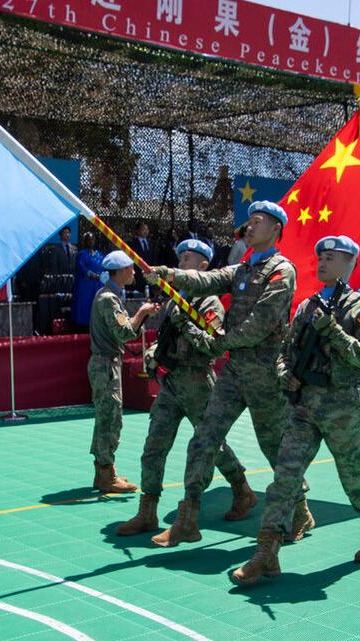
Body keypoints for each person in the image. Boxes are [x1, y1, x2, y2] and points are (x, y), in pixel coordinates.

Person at [230, 235, 360, 586]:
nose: (323, 262)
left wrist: (334, 332)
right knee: (285, 476)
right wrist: (285, 374)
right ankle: (266, 552)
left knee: (352, 476)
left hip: (341, 407)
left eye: (332, 257)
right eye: (321, 257)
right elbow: (286, 351)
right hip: (303, 406)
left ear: (350, 263)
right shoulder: (307, 306)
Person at [145, 200, 299, 548]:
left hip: (263, 373)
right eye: (249, 221)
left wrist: (220, 342)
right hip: (233, 373)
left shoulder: (281, 271)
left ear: (276, 229)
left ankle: (299, 507)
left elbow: (261, 323)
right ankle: (187, 519)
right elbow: (207, 279)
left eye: (257, 221)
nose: (249, 227)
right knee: (203, 440)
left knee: (273, 447)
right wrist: (168, 274)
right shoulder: (242, 269)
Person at [117, 239, 257, 536]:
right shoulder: (175, 299)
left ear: (204, 266)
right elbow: (165, 339)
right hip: (171, 383)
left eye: (188, 259)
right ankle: (147, 511)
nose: (181, 263)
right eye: (180, 258)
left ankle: (241, 488)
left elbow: (214, 346)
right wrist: (153, 354)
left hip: (197, 383)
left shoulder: (210, 303)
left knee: (211, 447)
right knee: (154, 445)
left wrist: (187, 324)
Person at [88, 250, 161, 493]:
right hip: (106, 365)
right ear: (120, 271)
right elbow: (124, 333)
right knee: (110, 419)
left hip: (106, 363)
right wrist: (142, 312)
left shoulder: (108, 295)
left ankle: (104, 471)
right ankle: (106, 474)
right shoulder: (109, 299)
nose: (134, 273)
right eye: (131, 268)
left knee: (106, 417)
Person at [71, 231, 105, 328]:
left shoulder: (99, 254)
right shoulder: (82, 254)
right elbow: (81, 267)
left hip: (98, 284)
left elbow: (104, 266)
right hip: (85, 285)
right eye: (88, 240)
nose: (91, 241)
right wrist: (92, 274)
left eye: (93, 239)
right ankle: (83, 326)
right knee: (85, 305)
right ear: (85, 241)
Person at [129, 221, 156, 295]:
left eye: (147, 229)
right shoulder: (132, 243)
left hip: (150, 273)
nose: (145, 231)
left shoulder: (151, 243)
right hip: (138, 275)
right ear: (137, 231)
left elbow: (153, 258)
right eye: (143, 229)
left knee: (151, 294)